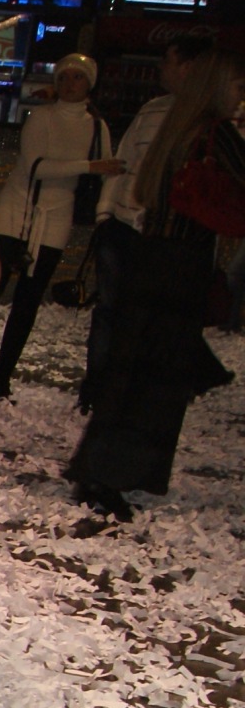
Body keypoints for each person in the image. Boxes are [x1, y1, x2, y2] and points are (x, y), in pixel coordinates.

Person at [68, 54, 245, 521]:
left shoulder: (179, 126)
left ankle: (100, 470)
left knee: (133, 372)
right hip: (180, 268)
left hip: (152, 258)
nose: (239, 96)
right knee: (155, 382)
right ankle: (112, 475)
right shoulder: (214, 131)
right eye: (236, 86)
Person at [0, 54, 119, 401]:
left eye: (77, 77)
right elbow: (35, 167)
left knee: (28, 302)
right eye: (64, 77)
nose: (69, 84)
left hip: (56, 215)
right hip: (16, 211)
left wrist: (104, 208)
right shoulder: (42, 117)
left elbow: (108, 171)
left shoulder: (97, 126)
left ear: (90, 83)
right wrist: (89, 166)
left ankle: (1, 379)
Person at [86, 35, 212, 407]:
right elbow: (121, 164)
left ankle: (135, 393)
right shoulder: (152, 109)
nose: (161, 68)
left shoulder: (208, 121)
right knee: (109, 311)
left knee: (150, 318)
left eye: (168, 61)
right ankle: (97, 389)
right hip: (123, 225)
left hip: (165, 237)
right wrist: (105, 215)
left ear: (187, 67)